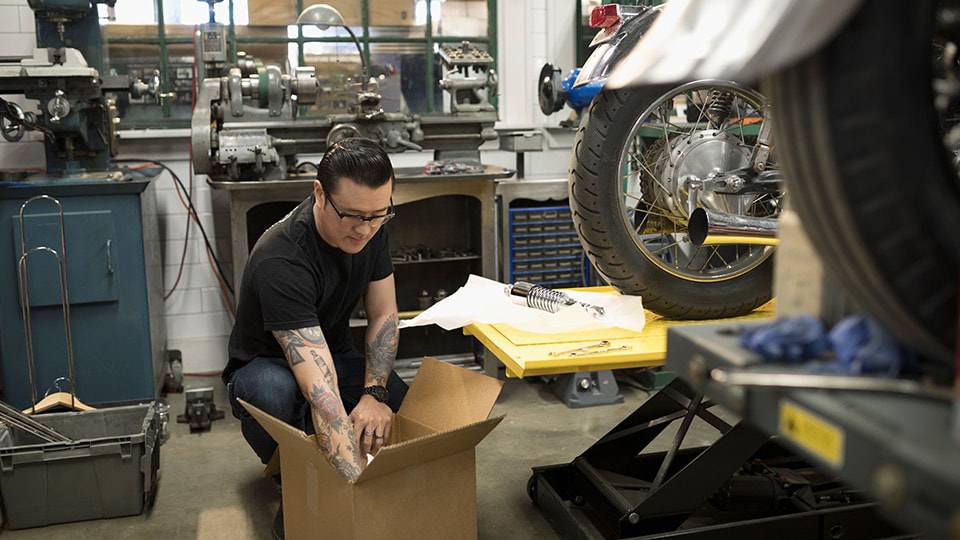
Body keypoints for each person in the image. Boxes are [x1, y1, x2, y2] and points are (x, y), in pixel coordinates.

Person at [223, 138, 409, 537]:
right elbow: (320, 390)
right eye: (354, 216)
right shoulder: (283, 258)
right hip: (266, 364)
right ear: (320, 193)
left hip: (332, 354)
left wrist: (374, 395)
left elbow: (383, 314)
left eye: (378, 215)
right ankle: (296, 481)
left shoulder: (372, 228)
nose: (365, 229)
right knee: (273, 393)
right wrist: (354, 495)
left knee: (399, 394)